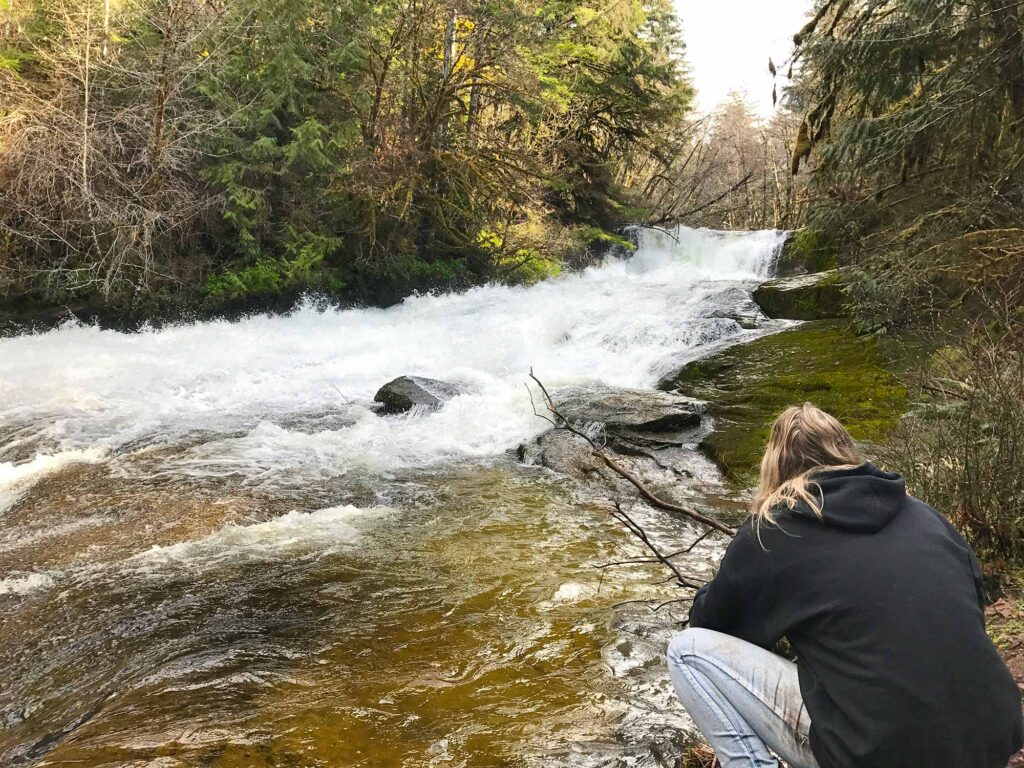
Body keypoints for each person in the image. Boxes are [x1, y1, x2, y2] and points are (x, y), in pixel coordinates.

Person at [667, 403, 1023, 768]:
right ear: (847, 452)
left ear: (774, 466)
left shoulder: (774, 530)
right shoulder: (924, 515)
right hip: (988, 737)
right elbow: (972, 606)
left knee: (687, 651)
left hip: (880, 754)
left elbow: (710, 624)